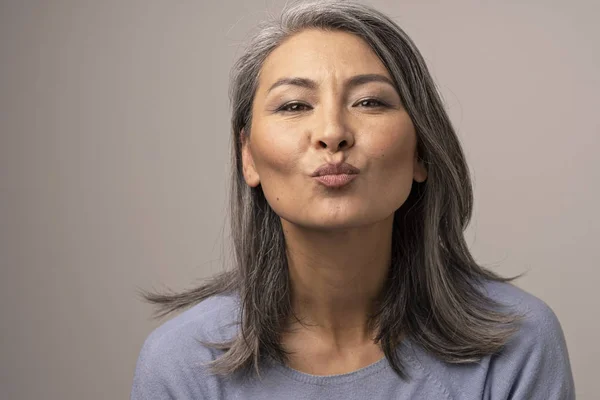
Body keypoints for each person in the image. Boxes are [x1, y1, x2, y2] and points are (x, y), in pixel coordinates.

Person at [131, 1, 575, 398]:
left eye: (368, 101)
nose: (332, 133)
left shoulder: (517, 342)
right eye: (293, 106)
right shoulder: (182, 364)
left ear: (422, 149)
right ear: (247, 156)